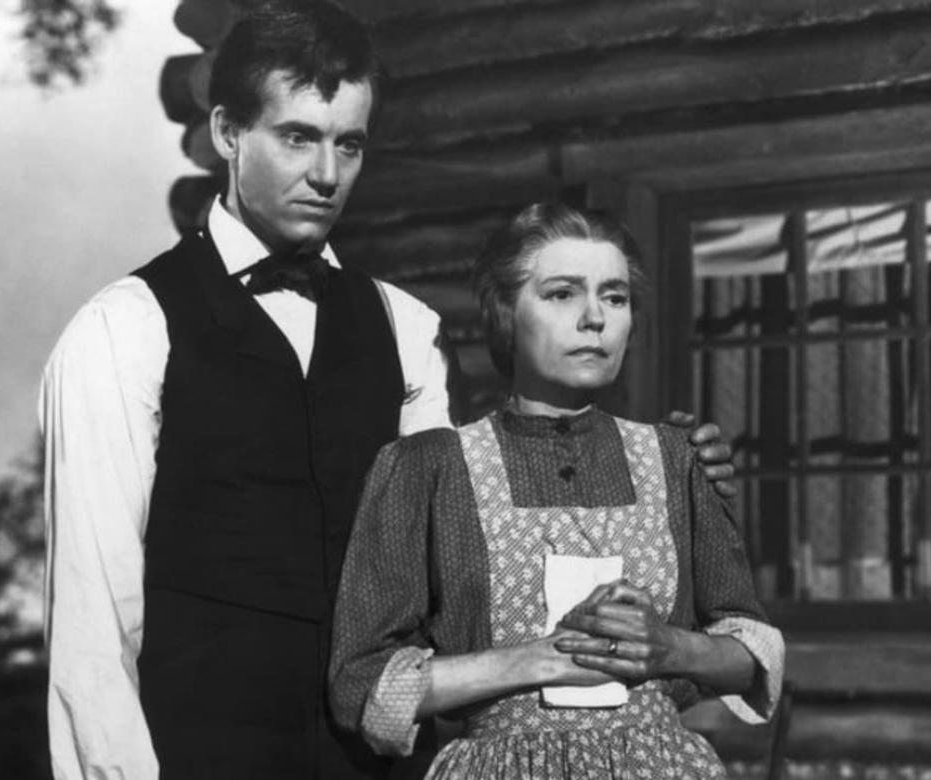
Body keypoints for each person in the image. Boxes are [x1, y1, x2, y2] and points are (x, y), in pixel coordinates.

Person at [40, 2, 735, 778]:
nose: (327, 174)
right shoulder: (126, 330)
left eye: (350, 144)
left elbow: (471, 553)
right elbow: (93, 624)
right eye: (298, 137)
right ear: (228, 132)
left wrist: (674, 477)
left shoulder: (406, 330)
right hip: (196, 755)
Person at [329, 201, 784, 779]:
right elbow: (362, 685)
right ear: (504, 312)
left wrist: (671, 648)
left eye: (614, 297)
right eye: (562, 294)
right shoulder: (428, 469)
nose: (594, 318)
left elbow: (751, 657)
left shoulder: (678, 459)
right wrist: (536, 661)